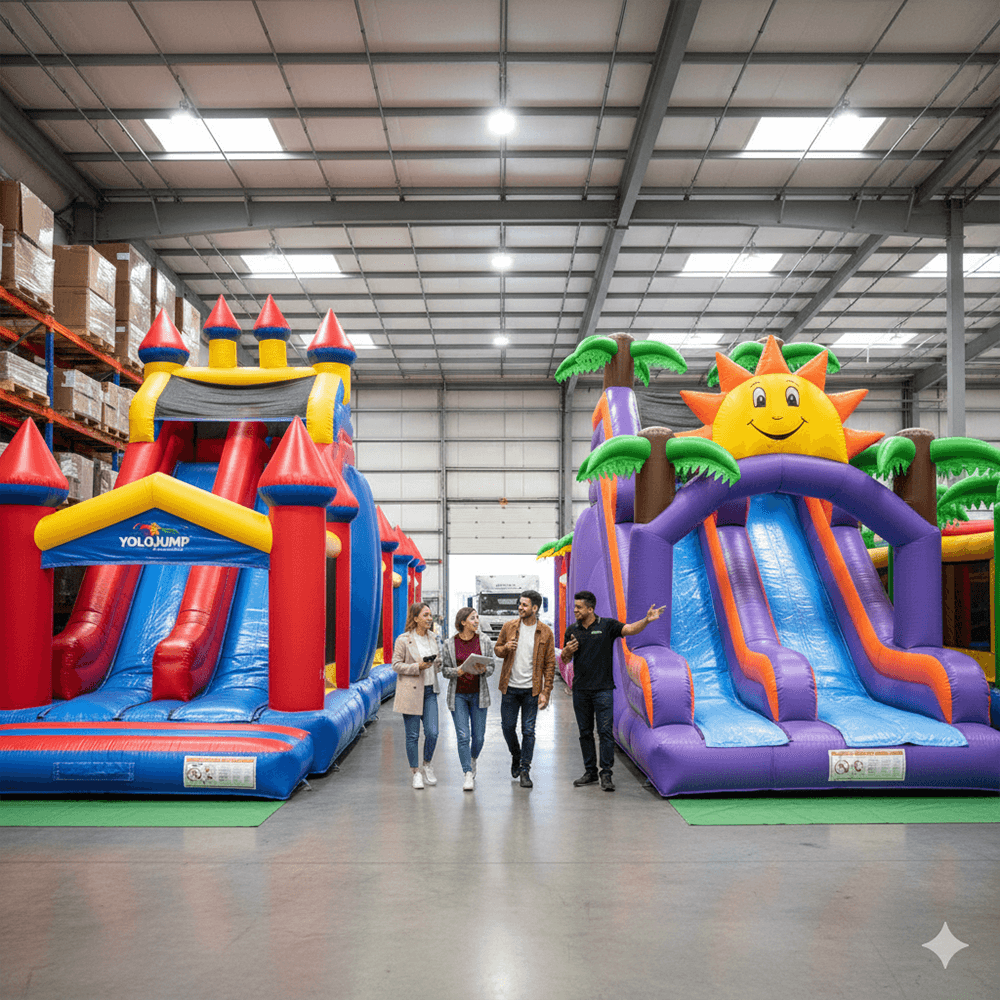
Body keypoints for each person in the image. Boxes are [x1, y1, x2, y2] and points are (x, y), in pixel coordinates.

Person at [561, 590, 664, 792]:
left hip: (603, 691)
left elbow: (630, 629)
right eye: (575, 607)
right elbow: (565, 660)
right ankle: (590, 772)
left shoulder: (607, 625)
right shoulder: (572, 630)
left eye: (579, 607)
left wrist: (647, 620)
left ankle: (606, 774)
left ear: (590, 609)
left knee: (605, 732)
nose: (575, 610)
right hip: (581, 690)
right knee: (584, 733)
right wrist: (567, 651)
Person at [495, 589, 555, 789]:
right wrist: (505, 649)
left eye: (524, 605)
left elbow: (549, 664)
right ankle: (516, 755)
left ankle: (525, 770)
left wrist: (546, 692)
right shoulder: (509, 627)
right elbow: (498, 649)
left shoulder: (545, 632)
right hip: (510, 688)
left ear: (535, 608)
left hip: (532, 689)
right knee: (507, 727)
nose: (520, 608)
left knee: (528, 730)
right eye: (519, 604)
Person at [441, 607, 496, 791]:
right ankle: (467, 773)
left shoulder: (485, 640)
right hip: (458, 695)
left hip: (479, 695)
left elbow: (491, 667)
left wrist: (483, 670)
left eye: (477, 617)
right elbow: (445, 671)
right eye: (473, 618)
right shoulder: (449, 643)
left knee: (478, 737)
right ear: (463, 622)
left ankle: (472, 760)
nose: (477, 621)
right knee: (463, 736)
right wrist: (459, 671)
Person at [391, 602, 442, 789]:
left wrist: (438, 663)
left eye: (430, 615)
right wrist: (417, 667)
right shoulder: (403, 640)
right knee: (412, 735)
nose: (430, 618)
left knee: (433, 732)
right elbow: (395, 665)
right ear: (415, 618)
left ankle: (427, 764)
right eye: (426, 615)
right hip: (411, 691)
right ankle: (415, 772)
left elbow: (439, 664)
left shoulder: (434, 638)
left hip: (430, 691)